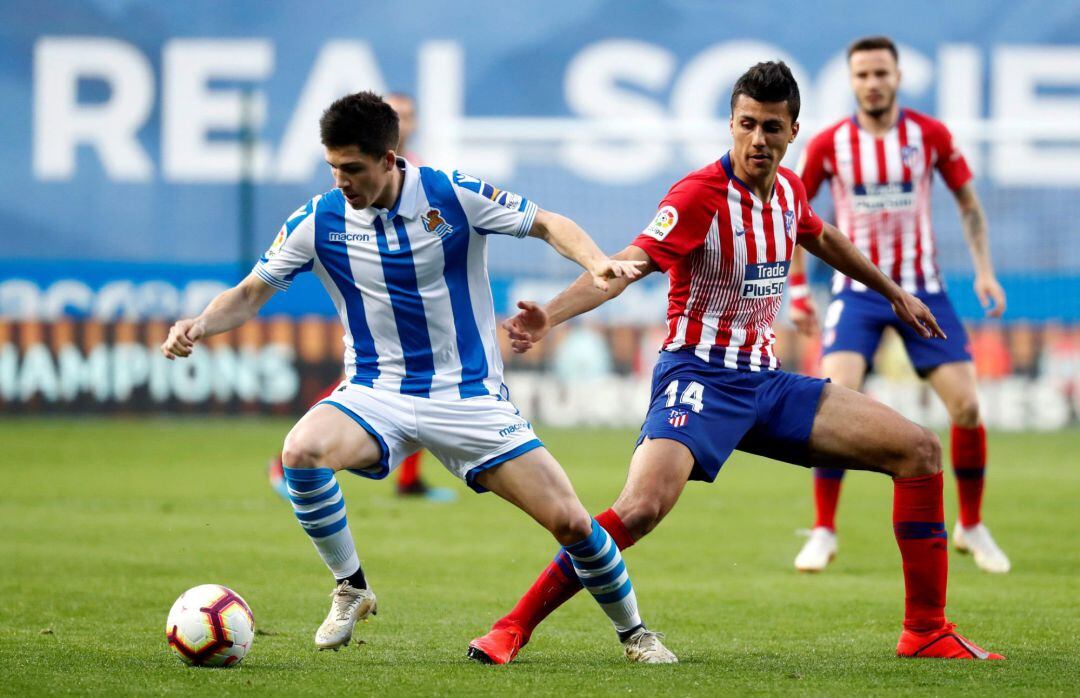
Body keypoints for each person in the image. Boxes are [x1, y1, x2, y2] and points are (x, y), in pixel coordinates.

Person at [467, 62, 1003, 664]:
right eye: (746, 125)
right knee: (640, 508)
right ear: (730, 123)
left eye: (771, 127)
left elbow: (824, 239)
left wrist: (893, 292)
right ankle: (512, 626)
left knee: (920, 450)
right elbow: (629, 265)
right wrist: (553, 315)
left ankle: (927, 630)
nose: (757, 139)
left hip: (766, 384)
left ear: (792, 130)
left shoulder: (791, 192)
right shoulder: (699, 194)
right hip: (698, 379)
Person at [161, 91, 675, 662]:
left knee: (572, 522)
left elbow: (548, 223)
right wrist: (202, 325)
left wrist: (596, 260)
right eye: (333, 168)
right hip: (374, 391)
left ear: (389, 157)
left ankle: (635, 633)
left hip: (468, 396)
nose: (342, 182)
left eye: (352, 168)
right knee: (301, 451)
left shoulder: (451, 194)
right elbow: (251, 292)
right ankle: (350, 586)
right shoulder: (318, 219)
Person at [789, 35, 1010, 574]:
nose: (872, 83)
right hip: (858, 293)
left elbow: (969, 204)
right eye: (862, 75)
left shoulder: (929, 135)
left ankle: (973, 525)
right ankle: (823, 528)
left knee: (968, 407)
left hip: (924, 290)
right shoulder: (829, 144)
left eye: (881, 73)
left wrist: (983, 271)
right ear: (852, 82)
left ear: (898, 77)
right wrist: (797, 291)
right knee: (833, 398)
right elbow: (792, 209)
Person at [266, 91, 447, 500]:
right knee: (367, 380)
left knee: (423, 383)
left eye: (410, 115)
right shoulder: (353, 176)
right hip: (371, 294)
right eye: (397, 113)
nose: (405, 121)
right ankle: (288, 460)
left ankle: (409, 480)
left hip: (411, 297)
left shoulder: (419, 175)